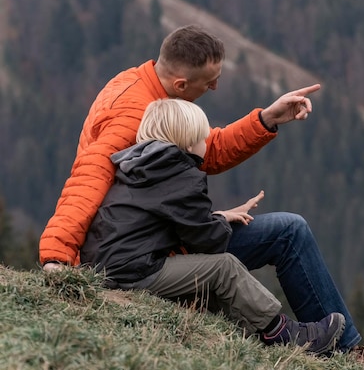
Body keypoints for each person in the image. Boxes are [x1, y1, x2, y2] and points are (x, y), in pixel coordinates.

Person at [38, 25, 364, 356]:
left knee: (288, 230)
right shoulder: (130, 113)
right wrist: (57, 255)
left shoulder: (152, 93)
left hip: (154, 241)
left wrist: (268, 119)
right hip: (144, 260)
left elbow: (205, 152)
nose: (215, 86)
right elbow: (88, 178)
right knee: (285, 234)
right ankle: (337, 351)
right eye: (210, 81)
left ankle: (343, 349)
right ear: (181, 84)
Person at [80, 98, 345, 353]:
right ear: (187, 142)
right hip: (132, 272)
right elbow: (207, 240)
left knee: (207, 272)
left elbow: (171, 219)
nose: (206, 144)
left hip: (107, 266)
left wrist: (216, 216)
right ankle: (282, 333)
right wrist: (218, 221)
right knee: (223, 267)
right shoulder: (179, 175)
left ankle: (253, 330)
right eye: (202, 138)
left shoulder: (140, 165)